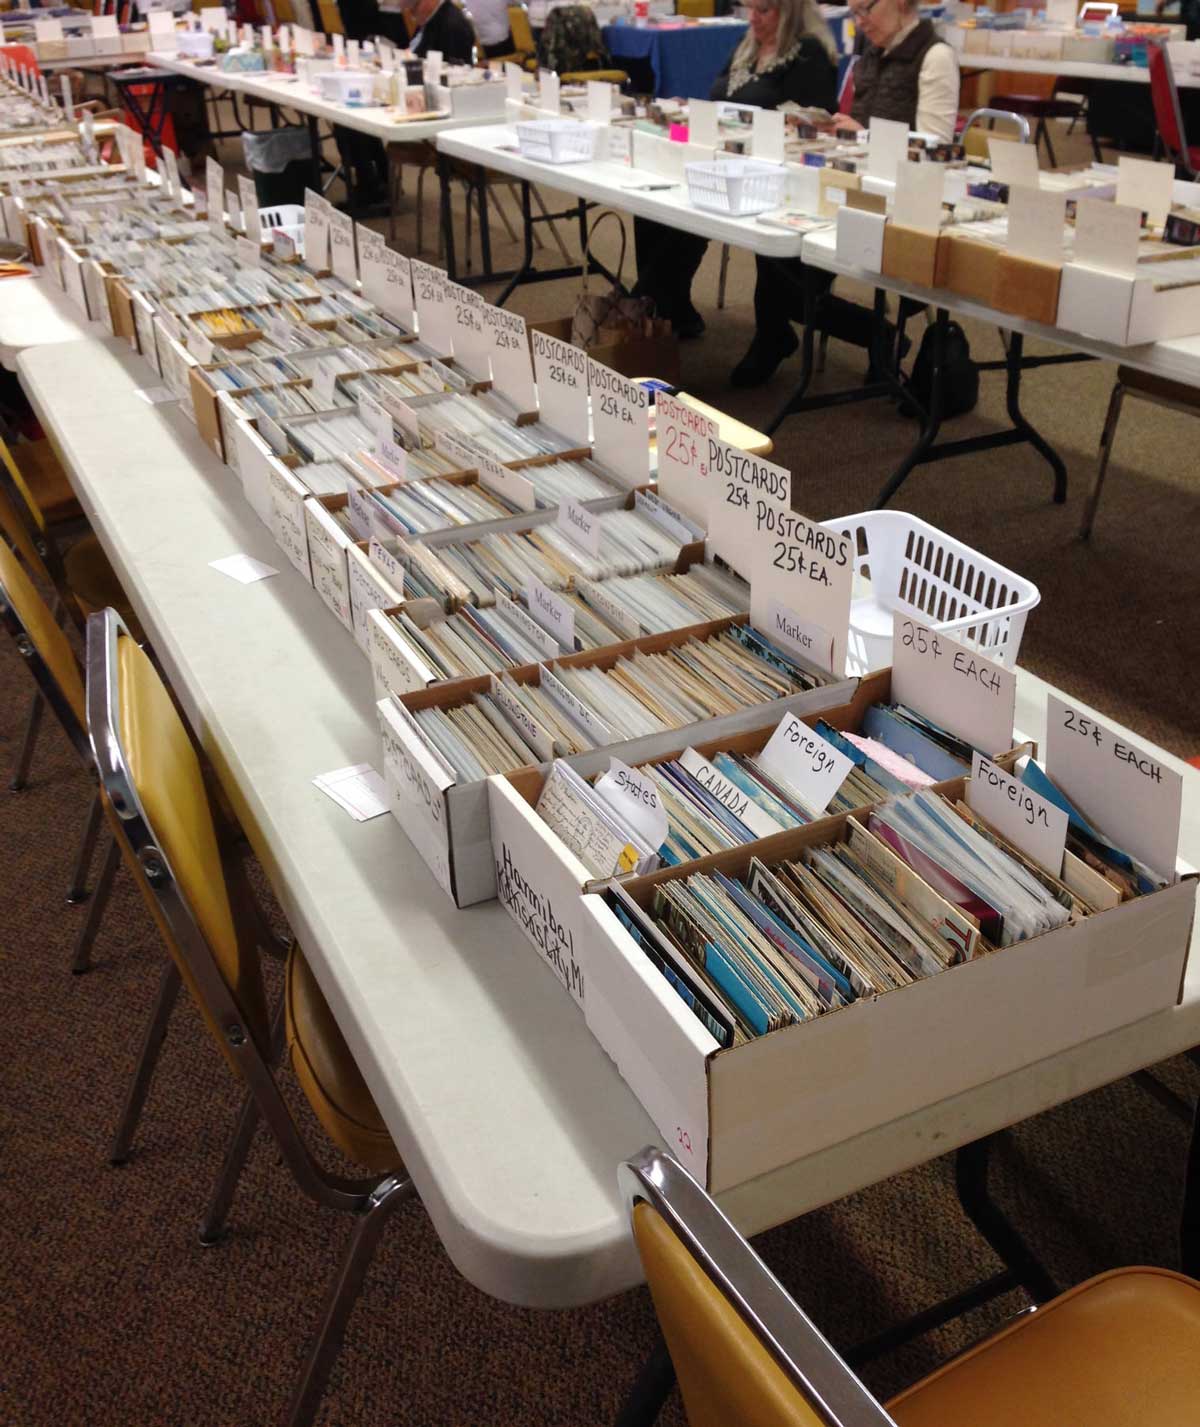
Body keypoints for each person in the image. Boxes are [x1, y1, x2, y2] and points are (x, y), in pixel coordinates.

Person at [730, 0, 959, 387]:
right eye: (853, 12)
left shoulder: (934, 57)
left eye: (865, 8)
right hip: (852, 186)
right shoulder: (871, 52)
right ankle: (866, 334)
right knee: (770, 233)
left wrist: (861, 135)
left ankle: (858, 334)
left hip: (900, 201)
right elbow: (862, 132)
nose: (859, 20)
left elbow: (931, 154)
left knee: (783, 269)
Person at [632, 0, 837, 341]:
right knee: (652, 203)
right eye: (749, 9)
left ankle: (641, 304)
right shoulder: (749, 45)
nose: (753, 18)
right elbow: (719, 97)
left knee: (686, 207)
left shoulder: (808, 54)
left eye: (764, 11)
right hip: (721, 159)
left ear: (789, 13)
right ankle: (667, 305)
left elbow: (809, 125)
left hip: (769, 177)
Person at [403, 0, 477, 62]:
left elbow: (454, 71)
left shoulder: (452, 25)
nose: (409, 10)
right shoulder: (430, 18)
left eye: (414, 6)